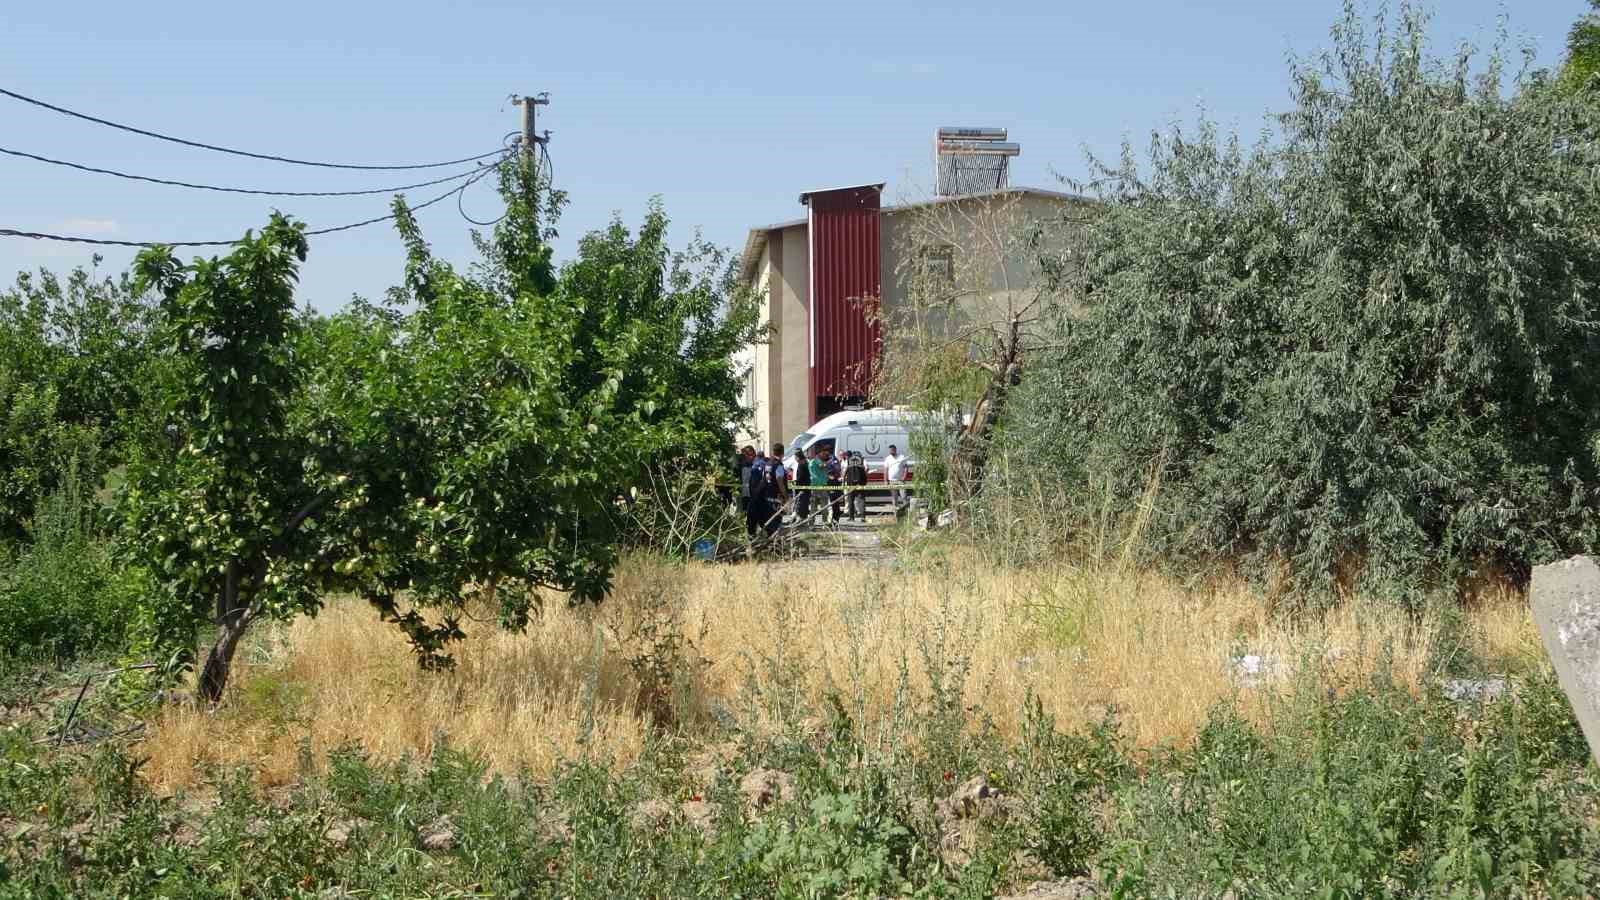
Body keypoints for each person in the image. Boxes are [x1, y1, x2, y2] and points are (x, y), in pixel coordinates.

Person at [766, 442, 791, 536]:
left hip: (768, 495)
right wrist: (786, 496)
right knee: (778, 520)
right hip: (777, 496)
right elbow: (780, 482)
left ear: (773, 452)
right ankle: (777, 542)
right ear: (782, 453)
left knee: (770, 519)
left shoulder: (768, 463)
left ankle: (771, 540)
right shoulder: (778, 465)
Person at [845, 451, 868, 520]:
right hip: (860, 483)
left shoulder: (849, 460)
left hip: (850, 483)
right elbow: (865, 471)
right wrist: (865, 482)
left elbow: (846, 472)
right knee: (861, 500)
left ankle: (851, 517)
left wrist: (844, 482)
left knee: (850, 500)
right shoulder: (862, 460)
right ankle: (863, 517)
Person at [807, 447, 828, 525]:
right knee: (824, 505)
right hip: (820, 486)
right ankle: (824, 522)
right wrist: (827, 463)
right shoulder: (816, 460)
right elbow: (822, 465)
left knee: (813, 506)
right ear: (818, 453)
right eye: (823, 453)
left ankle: (811, 523)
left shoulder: (810, 462)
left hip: (814, 485)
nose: (824, 454)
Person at [792, 446, 812, 526]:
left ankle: (801, 520)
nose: (795, 459)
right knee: (803, 504)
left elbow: (801, 477)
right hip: (805, 487)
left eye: (795, 457)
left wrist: (796, 484)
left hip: (802, 488)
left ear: (797, 457)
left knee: (801, 504)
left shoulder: (801, 464)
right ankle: (801, 519)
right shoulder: (805, 462)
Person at [884, 444, 907, 511]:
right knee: (894, 497)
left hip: (900, 481)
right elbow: (885, 470)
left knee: (904, 496)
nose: (891, 451)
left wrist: (904, 477)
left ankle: (906, 510)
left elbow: (906, 468)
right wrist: (885, 480)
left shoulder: (901, 457)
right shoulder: (888, 458)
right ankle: (896, 511)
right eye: (890, 450)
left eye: (892, 450)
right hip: (891, 481)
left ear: (895, 450)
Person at [824, 447, 844, 523]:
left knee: (832, 504)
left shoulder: (829, 462)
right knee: (836, 504)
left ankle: (832, 521)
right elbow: (839, 472)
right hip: (837, 485)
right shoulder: (836, 460)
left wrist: (826, 476)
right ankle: (835, 520)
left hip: (832, 485)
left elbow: (831, 475)